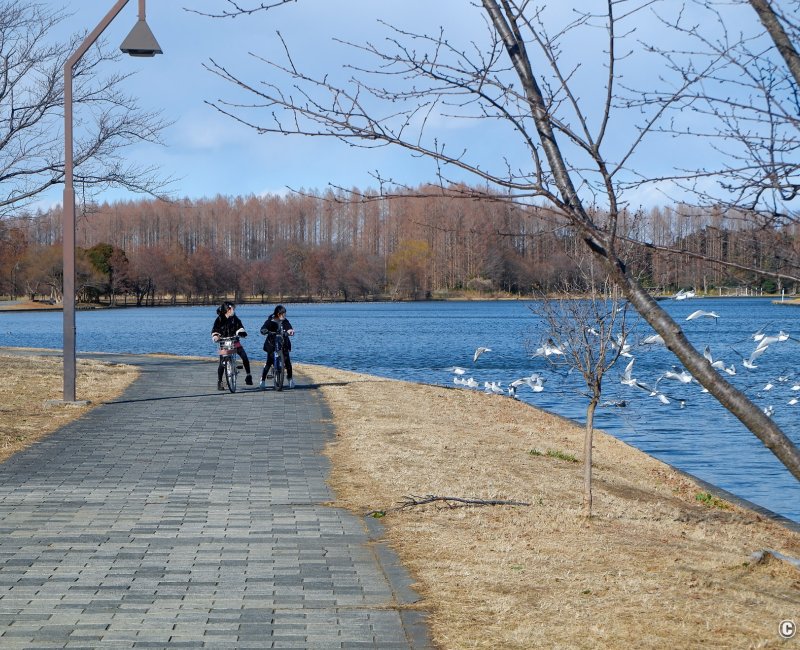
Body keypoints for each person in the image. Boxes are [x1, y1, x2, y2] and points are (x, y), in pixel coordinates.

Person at [211, 301, 253, 389]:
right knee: (222, 362)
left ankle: (248, 375)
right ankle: (220, 382)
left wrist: (241, 332)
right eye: (232, 309)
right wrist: (216, 336)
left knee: (244, 356)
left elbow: (240, 327)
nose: (233, 310)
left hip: (234, 341)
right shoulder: (219, 319)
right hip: (224, 342)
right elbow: (215, 329)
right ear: (228, 310)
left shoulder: (235, 318)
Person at [260, 304, 295, 389]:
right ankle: (263, 380)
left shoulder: (285, 321)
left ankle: (290, 378)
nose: (285, 315)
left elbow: (289, 327)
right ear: (278, 314)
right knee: (269, 362)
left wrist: (290, 331)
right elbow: (264, 327)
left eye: (285, 313)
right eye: (283, 313)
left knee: (287, 361)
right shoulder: (270, 321)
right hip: (271, 344)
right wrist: (264, 330)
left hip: (283, 343)